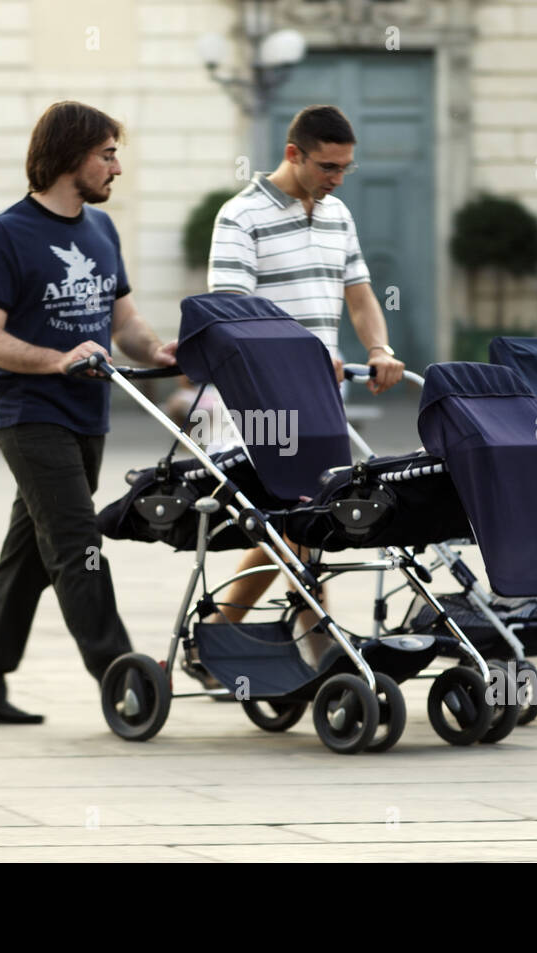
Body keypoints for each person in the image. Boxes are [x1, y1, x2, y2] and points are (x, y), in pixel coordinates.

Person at [0, 101, 177, 724]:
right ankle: (124, 678)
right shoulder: (6, 234)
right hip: (29, 414)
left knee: (31, 550)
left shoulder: (101, 232)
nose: (117, 168)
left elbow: (122, 318)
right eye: (107, 154)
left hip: (89, 414)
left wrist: (157, 350)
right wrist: (56, 360)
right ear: (70, 155)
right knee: (78, 542)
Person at [200, 104, 406, 673]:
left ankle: (221, 636)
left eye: (346, 168)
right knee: (299, 518)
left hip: (322, 397)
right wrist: (303, 355)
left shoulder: (338, 214)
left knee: (299, 522)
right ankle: (322, 647)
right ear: (294, 154)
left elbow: (360, 296)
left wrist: (379, 351)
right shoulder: (239, 217)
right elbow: (234, 318)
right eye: (328, 166)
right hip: (262, 400)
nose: (337, 178)